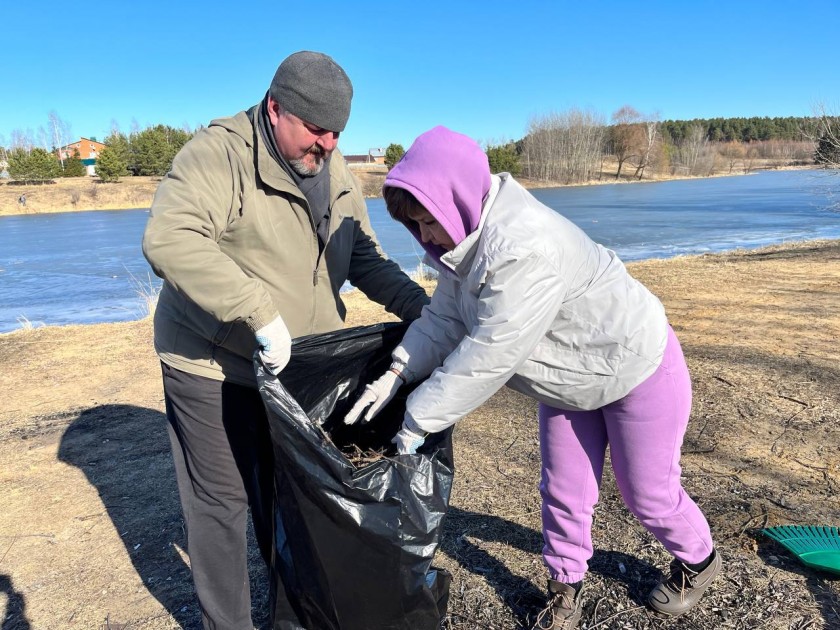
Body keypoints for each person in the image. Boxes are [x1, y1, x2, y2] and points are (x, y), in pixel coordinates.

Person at [344, 126, 721, 630]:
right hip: (568, 378)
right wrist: (395, 371)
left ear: (455, 198)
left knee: (646, 492)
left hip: (635, 364)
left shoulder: (523, 247)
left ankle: (699, 558)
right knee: (563, 488)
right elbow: (445, 319)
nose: (426, 237)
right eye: (415, 226)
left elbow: (490, 353)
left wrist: (417, 418)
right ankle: (566, 588)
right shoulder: (464, 244)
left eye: (428, 221)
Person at [142, 51, 429, 630]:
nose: (326, 145)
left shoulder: (334, 167)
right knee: (222, 508)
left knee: (293, 501)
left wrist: (424, 311)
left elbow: (364, 257)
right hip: (212, 363)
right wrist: (258, 313)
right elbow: (169, 238)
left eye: (337, 133)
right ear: (276, 109)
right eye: (316, 130)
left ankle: (292, 619)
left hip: (297, 374)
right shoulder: (220, 152)